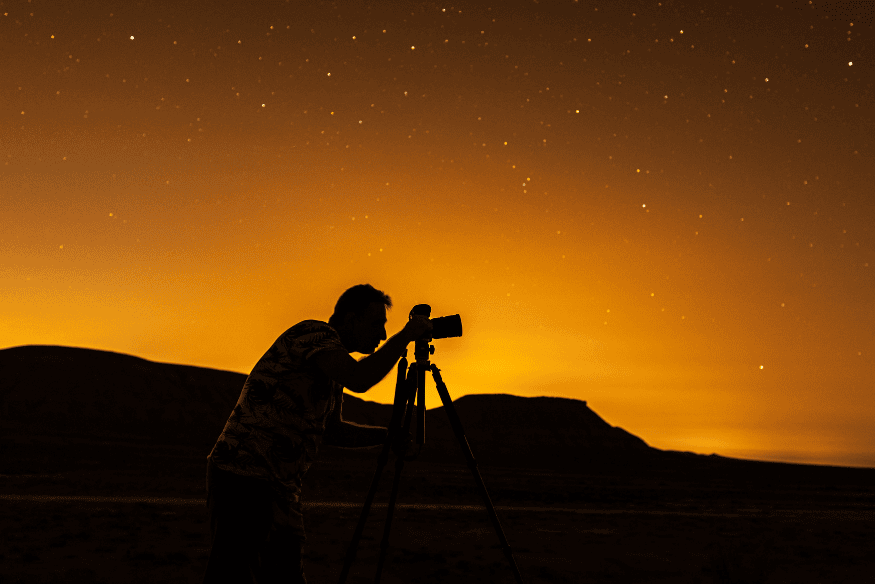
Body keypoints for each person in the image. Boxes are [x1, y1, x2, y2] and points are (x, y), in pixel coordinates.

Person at [201, 283, 433, 584]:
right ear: (350, 320)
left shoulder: (331, 366)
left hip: (281, 489)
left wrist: (386, 436)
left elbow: (332, 431)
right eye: (377, 324)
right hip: (244, 477)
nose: (383, 335)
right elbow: (360, 379)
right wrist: (407, 336)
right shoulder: (313, 334)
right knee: (232, 575)